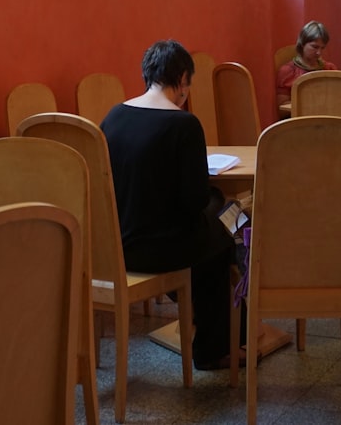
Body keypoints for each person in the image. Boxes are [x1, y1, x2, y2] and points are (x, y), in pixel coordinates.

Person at [100, 39, 241, 370]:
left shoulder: (114, 117)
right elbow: (192, 201)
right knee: (223, 228)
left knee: (213, 223)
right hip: (161, 250)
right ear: (182, 80)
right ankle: (214, 347)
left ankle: (205, 319)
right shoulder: (183, 124)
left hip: (118, 246)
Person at [275, 20, 338, 106]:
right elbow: (282, 106)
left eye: (322, 48)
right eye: (314, 47)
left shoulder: (329, 69)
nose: (318, 53)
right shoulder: (288, 71)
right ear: (302, 44)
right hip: (300, 118)